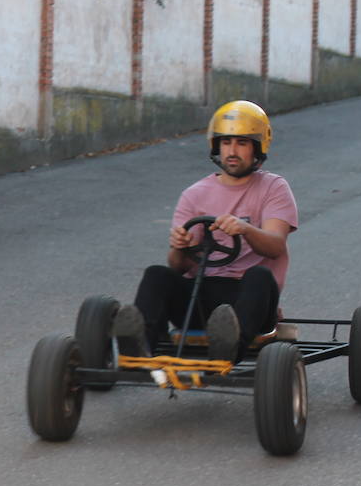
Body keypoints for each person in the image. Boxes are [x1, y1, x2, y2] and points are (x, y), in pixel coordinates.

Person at [114, 100, 298, 361]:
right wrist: (179, 246)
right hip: (200, 299)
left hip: (250, 299)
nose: (232, 151)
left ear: (257, 147)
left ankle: (229, 345)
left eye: (242, 143)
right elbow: (177, 266)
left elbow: (276, 245)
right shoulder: (194, 195)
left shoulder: (273, 188)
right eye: (226, 143)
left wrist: (245, 229)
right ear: (216, 146)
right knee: (157, 274)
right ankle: (138, 346)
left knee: (259, 275)